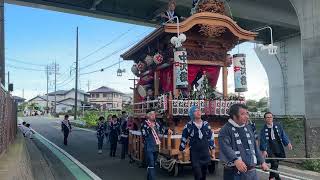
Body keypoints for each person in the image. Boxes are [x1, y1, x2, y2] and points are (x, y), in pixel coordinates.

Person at [218, 104, 268, 180]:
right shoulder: (225, 130)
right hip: (234, 173)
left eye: (247, 113)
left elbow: (254, 146)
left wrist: (262, 161)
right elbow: (225, 147)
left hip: (252, 172)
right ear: (234, 116)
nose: (247, 116)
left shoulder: (248, 127)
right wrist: (235, 160)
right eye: (242, 114)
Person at [179, 106, 215, 180]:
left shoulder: (206, 124)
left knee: (203, 175)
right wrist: (182, 149)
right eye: (196, 111)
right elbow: (184, 137)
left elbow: (210, 138)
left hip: (205, 153)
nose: (198, 112)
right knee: (198, 175)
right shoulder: (188, 125)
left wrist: (213, 152)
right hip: (195, 154)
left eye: (199, 110)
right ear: (192, 113)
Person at [260, 112, 293, 180]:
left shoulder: (278, 125)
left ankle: (277, 177)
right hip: (269, 149)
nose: (269, 118)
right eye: (267, 117)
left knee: (275, 164)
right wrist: (264, 150)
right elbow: (262, 140)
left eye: (270, 117)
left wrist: (288, 143)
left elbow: (283, 135)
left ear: (272, 118)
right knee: (274, 162)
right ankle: (271, 177)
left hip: (278, 147)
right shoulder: (263, 129)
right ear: (265, 119)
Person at [141, 109, 162, 180]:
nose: (153, 115)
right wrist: (150, 128)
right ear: (148, 116)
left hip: (156, 146)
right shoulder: (144, 124)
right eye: (151, 114)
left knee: (153, 164)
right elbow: (144, 134)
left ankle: (149, 178)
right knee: (151, 164)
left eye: (154, 114)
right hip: (149, 146)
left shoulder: (157, 123)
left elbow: (162, 129)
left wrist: (168, 130)